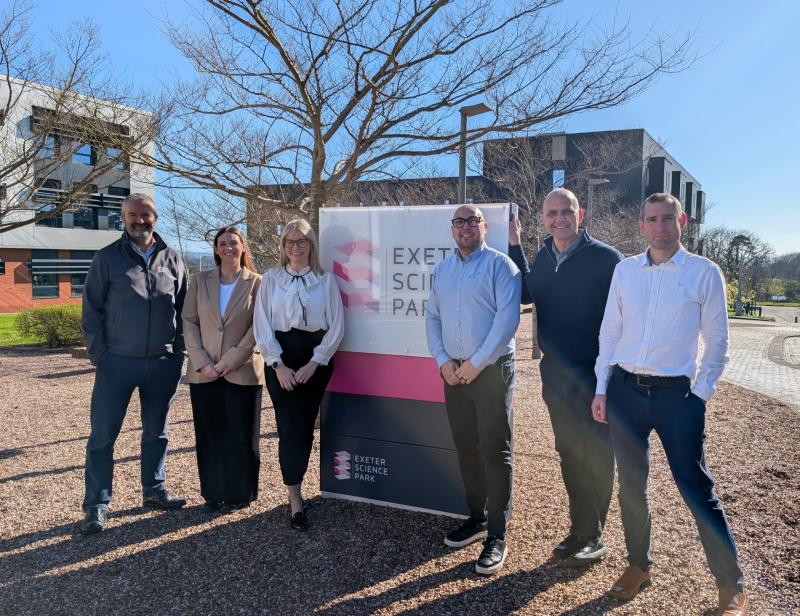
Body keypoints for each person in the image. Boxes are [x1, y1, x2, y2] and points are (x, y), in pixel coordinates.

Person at [591, 193, 748, 615]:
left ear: (682, 221)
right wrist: (602, 388)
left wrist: (701, 393)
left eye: (667, 219)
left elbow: (718, 341)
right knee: (631, 485)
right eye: (651, 220)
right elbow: (610, 332)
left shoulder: (703, 273)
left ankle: (730, 585)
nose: (660, 227)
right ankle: (638, 566)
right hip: (625, 391)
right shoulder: (625, 271)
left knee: (695, 487)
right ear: (640, 226)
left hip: (677, 397)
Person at [508, 188, 622, 567]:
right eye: (552, 213)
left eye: (566, 212)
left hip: (596, 377)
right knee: (569, 454)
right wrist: (514, 244)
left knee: (598, 454)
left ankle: (594, 534)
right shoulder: (543, 257)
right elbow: (526, 290)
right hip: (555, 377)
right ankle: (578, 529)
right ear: (543, 219)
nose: (559, 219)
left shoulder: (606, 259)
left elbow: (626, 318)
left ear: (580, 214)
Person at [80, 193, 187, 534]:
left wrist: (178, 353)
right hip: (117, 364)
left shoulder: (173, 259)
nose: (138, 221)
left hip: (162, 363)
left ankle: (154, 491)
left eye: (145, 215)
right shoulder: (107, 258)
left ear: (156, 217)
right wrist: (100, 356)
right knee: (102, 436)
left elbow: (185, 311)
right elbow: (91, 310)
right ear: (122, 218)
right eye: (132, 215)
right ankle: (96, 504)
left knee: (157, 433)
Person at [426, 204, 521, 575]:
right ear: (452, 230)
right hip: (453, 372)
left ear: (484, 226)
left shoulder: (501, 266)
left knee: (496, 451)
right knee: (466, 447)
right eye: (459, 222)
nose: (465, 227)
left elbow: (507, 321)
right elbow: (433, 317)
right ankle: (477, 517)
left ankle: (497, 534)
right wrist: (442, 360)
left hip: (492, 370)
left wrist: (476, 363)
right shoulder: (443, 270)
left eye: (472, 221)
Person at [254, 218, 344, 531]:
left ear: (311, 245)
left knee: (304, 427)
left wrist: (315, 362)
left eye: (301, 241)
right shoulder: (270, 279)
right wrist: (277, 365)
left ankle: (300, 485)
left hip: (313, 362)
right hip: (280, 359)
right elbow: (262, 324)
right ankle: (294, 495)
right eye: (290, 242)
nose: (295, 247)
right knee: (288, 427)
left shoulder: (325, 280)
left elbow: (337, 326)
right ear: (282, 247)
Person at [182, 226, 264, 512]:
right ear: (216, 250)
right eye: (222, 244)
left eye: (233, 243)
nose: (228, 247)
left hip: (241, 370)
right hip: (204, 372)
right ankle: (213, 493)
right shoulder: (199, 281)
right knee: (209, 433)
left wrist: (230, 360)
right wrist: (203, 361)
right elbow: (189, 321)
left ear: (243, 247)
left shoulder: (258, 283)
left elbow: (259, 326)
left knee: (241, 434)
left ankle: (240, 492)